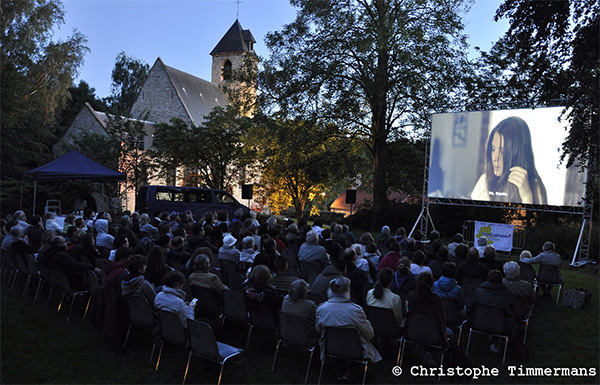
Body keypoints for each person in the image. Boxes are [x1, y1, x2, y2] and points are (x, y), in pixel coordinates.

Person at [316, 276, 382, 381]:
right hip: (354, 348)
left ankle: (340, 370)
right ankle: (349, 371)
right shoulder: (356, 310)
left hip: (331, 346)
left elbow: (319, 329)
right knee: (355, 341)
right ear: (348, 290)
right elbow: (369, 334)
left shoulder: (322, 308)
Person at [471, 116, 547, 205]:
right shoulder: (485, 181)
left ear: (518, 153)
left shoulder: (534, 186)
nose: (495, 158)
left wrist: (527, 197)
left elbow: (534, 219)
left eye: (502, 151)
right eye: (493, 149)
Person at [470, 269, 515, 353]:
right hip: (499, 326)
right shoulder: (506, 294)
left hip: (478, 323)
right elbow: (511, 311)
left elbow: (472, 308)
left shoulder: (479, 292)